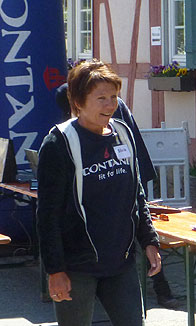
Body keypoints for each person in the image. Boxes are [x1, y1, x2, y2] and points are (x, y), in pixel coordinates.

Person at [37, 60, 190, 326]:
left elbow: (136, 193)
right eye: (101, 98)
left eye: (114, 97)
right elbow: (47, 214)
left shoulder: (121, 133)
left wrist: (149, 240)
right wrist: (55, 270)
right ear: (77, 101)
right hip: (78, 265)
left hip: (120, 262)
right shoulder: (60, 143)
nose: (110, 105)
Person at [56, 82, 180, 310]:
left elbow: (120, 144)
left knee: (138, 231)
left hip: (125, 172)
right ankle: (155, 290)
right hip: (118, 172)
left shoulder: (109, 108)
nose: (109, 103)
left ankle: (160, 289)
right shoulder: (78, 109)